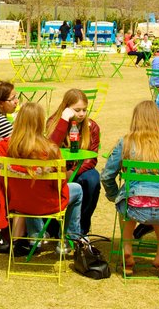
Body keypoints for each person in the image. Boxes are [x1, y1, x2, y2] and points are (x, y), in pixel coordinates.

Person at [102, 101, 159, 276]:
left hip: (134, 207)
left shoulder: (126, 142)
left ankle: (127, 247)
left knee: (126, 200)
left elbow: (106, 175)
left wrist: (113, 195)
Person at [0, 103, 84, 251]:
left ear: (17, 121)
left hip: (16, 203)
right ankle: (68, 240)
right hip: (47, 204)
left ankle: (35, 237)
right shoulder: (50, 149)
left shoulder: (2, 147)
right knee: (78, 189)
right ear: (40, 123)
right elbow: (61, 184)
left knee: (29, 192)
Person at [46, 89, 100, 235]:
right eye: (77, 110)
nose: (81, 114)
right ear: (66, 108)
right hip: (57, 169)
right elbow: (50, 148)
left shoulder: (92, 127)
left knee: (92, 180)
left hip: (80, 169)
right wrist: (63, 122)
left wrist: (73, 172)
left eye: (84, 110)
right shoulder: (53, 122)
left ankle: (81, 229)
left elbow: (92, 157)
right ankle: (51, 227)